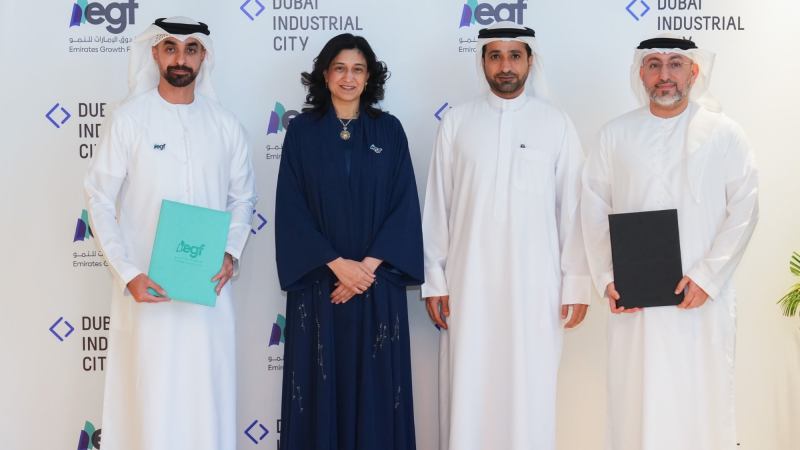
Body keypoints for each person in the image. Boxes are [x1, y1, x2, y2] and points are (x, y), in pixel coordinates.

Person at [84, 16, 257, 450]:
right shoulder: (129, 120)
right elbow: (100, 199)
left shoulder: (226, 125)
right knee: (151, 399)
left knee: (205, 399)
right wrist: (127, 273)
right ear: (155, 54)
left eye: (191, 49)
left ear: (203, 57)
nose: (181, 58)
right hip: (148, 289)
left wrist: (230, 252)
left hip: (208, 292)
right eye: (171, 48)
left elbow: (243, 199)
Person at [581, 36, 758, 450]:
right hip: (636, 308)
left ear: (693, 72)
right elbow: (593, 209)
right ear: (641, 73)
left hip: (701, 305)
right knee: (637, 405)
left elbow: (746, 208)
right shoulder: (614, 135)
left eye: (675, 64)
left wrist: (707, 277)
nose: (664, 75)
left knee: (701, 405)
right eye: (654, 65)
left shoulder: (725, 134)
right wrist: (608, 277)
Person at [421, 22, 591, 450]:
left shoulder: (556, 124)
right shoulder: (457, 123)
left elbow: (573, 211)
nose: (505, 66)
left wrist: (575, 283)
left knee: (529, 389)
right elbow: (438, 205)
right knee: (468, 387)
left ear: (530, 61)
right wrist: (434, 280)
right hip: (468, 284)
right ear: (482, 62)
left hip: (535, 287)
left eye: (515, 55)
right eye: (495, 56)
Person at [274, 33, 423, 450]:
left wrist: (367, 269)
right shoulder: (301, 132)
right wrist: (338, 266)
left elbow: (404, 205)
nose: (348, 77)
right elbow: (291, 209)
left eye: (358, 69)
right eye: (339, 68)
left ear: (369, 76)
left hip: (377, 287)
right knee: (318, 390)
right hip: (320, 287)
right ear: (325, 74)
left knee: (378, 396)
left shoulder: (389, 131)